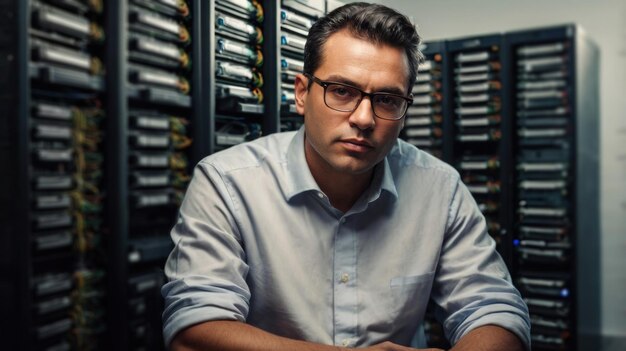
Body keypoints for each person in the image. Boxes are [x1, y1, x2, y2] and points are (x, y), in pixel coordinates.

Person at [161, 2, 530, 350]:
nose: (364, 119)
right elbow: (194, 332)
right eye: (341, 91)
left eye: (387, 99)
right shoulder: (227, 183)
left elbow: (495, 311)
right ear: (302, 93)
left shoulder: (439, 188)